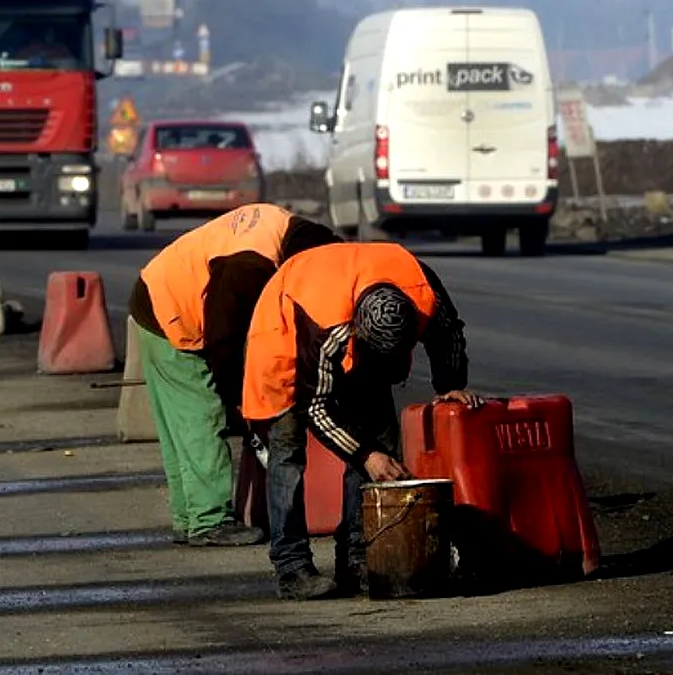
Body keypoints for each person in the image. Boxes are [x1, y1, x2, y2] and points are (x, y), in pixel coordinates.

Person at [239, 241, 484, 599]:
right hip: (284, 327)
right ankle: (292, 568)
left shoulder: (421, 288)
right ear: (356, 331)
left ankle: (358, 556)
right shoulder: (325, 330)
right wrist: (365, 454)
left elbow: (447, 334)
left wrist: (450, 385)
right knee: (288, 448)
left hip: (342, 304)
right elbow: (316, 408)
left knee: (379, 434)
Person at [129, 203, 343, 547]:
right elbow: (223, 337)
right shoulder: (250, 262)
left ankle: (190, 517)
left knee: (180, 429)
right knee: (201, 419)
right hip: (173, 313)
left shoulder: (275, 225)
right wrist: (237, 400)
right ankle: (210, 521)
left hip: (154, 296)